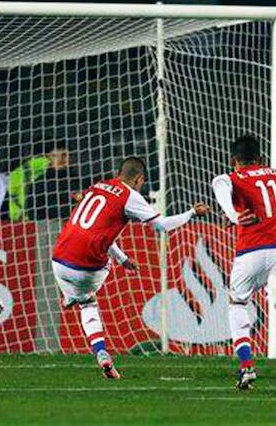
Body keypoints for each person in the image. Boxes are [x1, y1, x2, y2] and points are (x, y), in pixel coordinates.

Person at [51, 156, 209, 379]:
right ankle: (77, 301)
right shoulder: (130, 196)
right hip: (87, 268)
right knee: (90, 297)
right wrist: (191, 213)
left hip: (58, 258)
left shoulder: (98, 186)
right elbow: (162, 226)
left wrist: (124, 259)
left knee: (88, 291)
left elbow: (101, 231)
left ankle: (72, 297)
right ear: (139, 179)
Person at [212, 134, 276, 401]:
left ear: (234, 161)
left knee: (237, 303)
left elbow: (219, 183)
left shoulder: (234, 177)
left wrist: (235, 216)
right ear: (260, 158)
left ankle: (247, 367)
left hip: (251, 253)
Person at [9, 146, 72, 221]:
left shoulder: (18, 173)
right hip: (46, 222)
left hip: (25, 220)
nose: (63, 159)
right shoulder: (44, 180)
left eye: (65, 155)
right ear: (48, 156)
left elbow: (11, 195)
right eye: (63, 155)